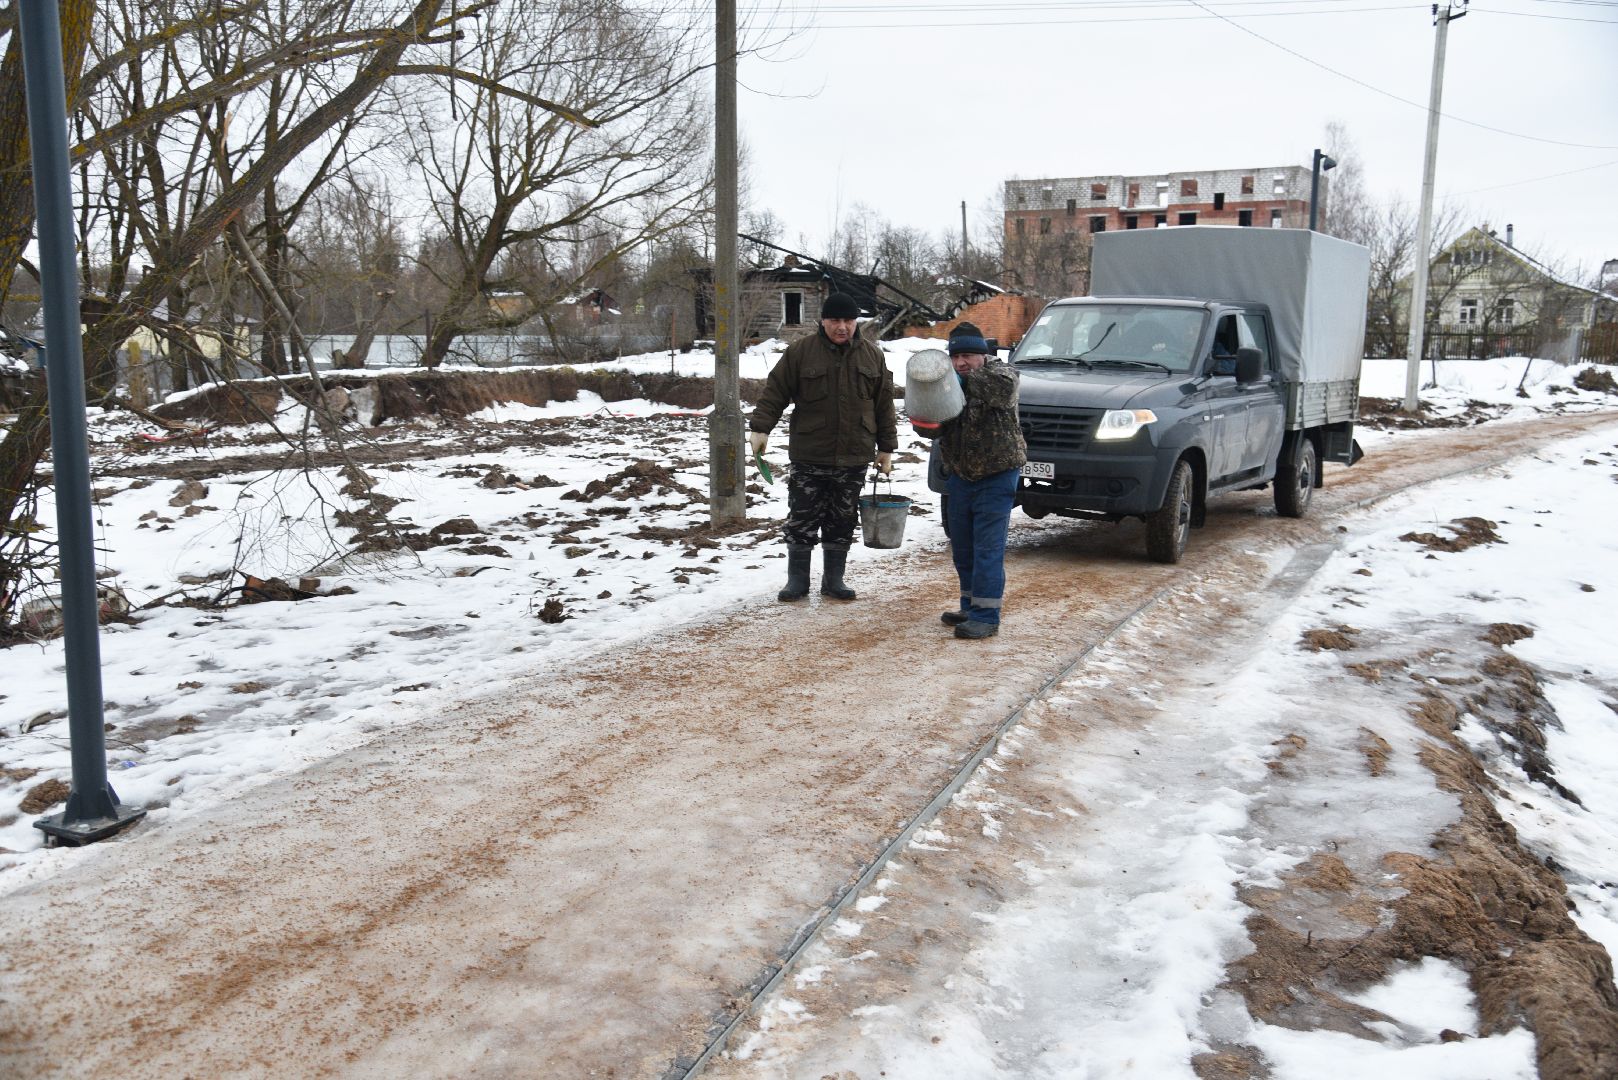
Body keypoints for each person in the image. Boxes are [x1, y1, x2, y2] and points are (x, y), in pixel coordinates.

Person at [748, 291, 897, 602]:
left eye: (848, 321)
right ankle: (797, 582)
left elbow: (884, 405)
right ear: (823, 321)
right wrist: (761, 428)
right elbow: (775, 390)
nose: (841, 327)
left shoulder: (873, 356)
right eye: (835, 320)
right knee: (802, 516)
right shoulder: (801, 352)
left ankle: (834, 581)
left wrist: (886, 448)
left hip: (855, 452)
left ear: (856, 322)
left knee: (842, 519)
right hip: (809, 452)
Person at [922, 321, 1027, 639]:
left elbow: (1004, 392)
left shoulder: (1001, 374)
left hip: (997, 474)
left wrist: (953, 379)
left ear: (983, 354)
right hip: (961, 475)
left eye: (967, 355)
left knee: (987, 549)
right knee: (963, 547)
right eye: (955, 357)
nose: (961, 363)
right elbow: (935, 426)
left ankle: (986, 615)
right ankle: (970, 606)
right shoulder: (950, 381)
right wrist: (925, 411)